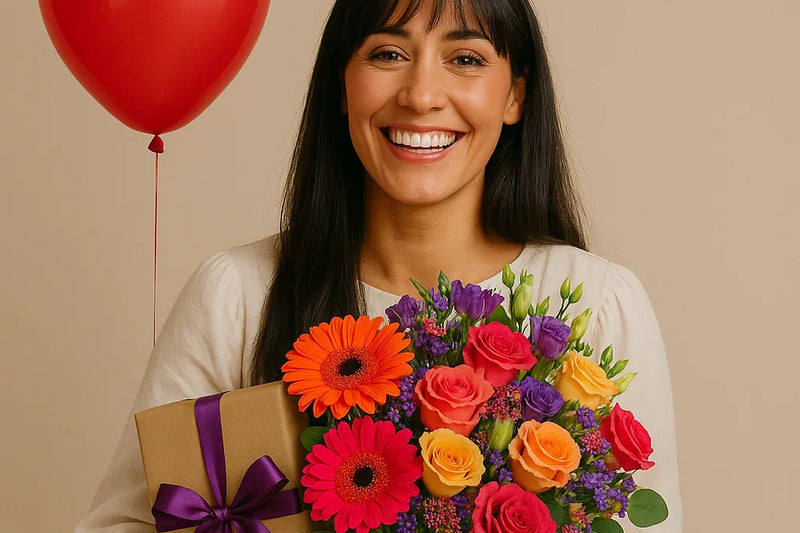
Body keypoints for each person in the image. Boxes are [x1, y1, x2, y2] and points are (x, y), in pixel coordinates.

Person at [76, 0, 683, 531]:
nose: (421, 95)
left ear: (516, 95)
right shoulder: (238, 293)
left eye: (466, 59)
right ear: (341, 86)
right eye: (388, 53)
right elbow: (123, 524)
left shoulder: (595, 301)